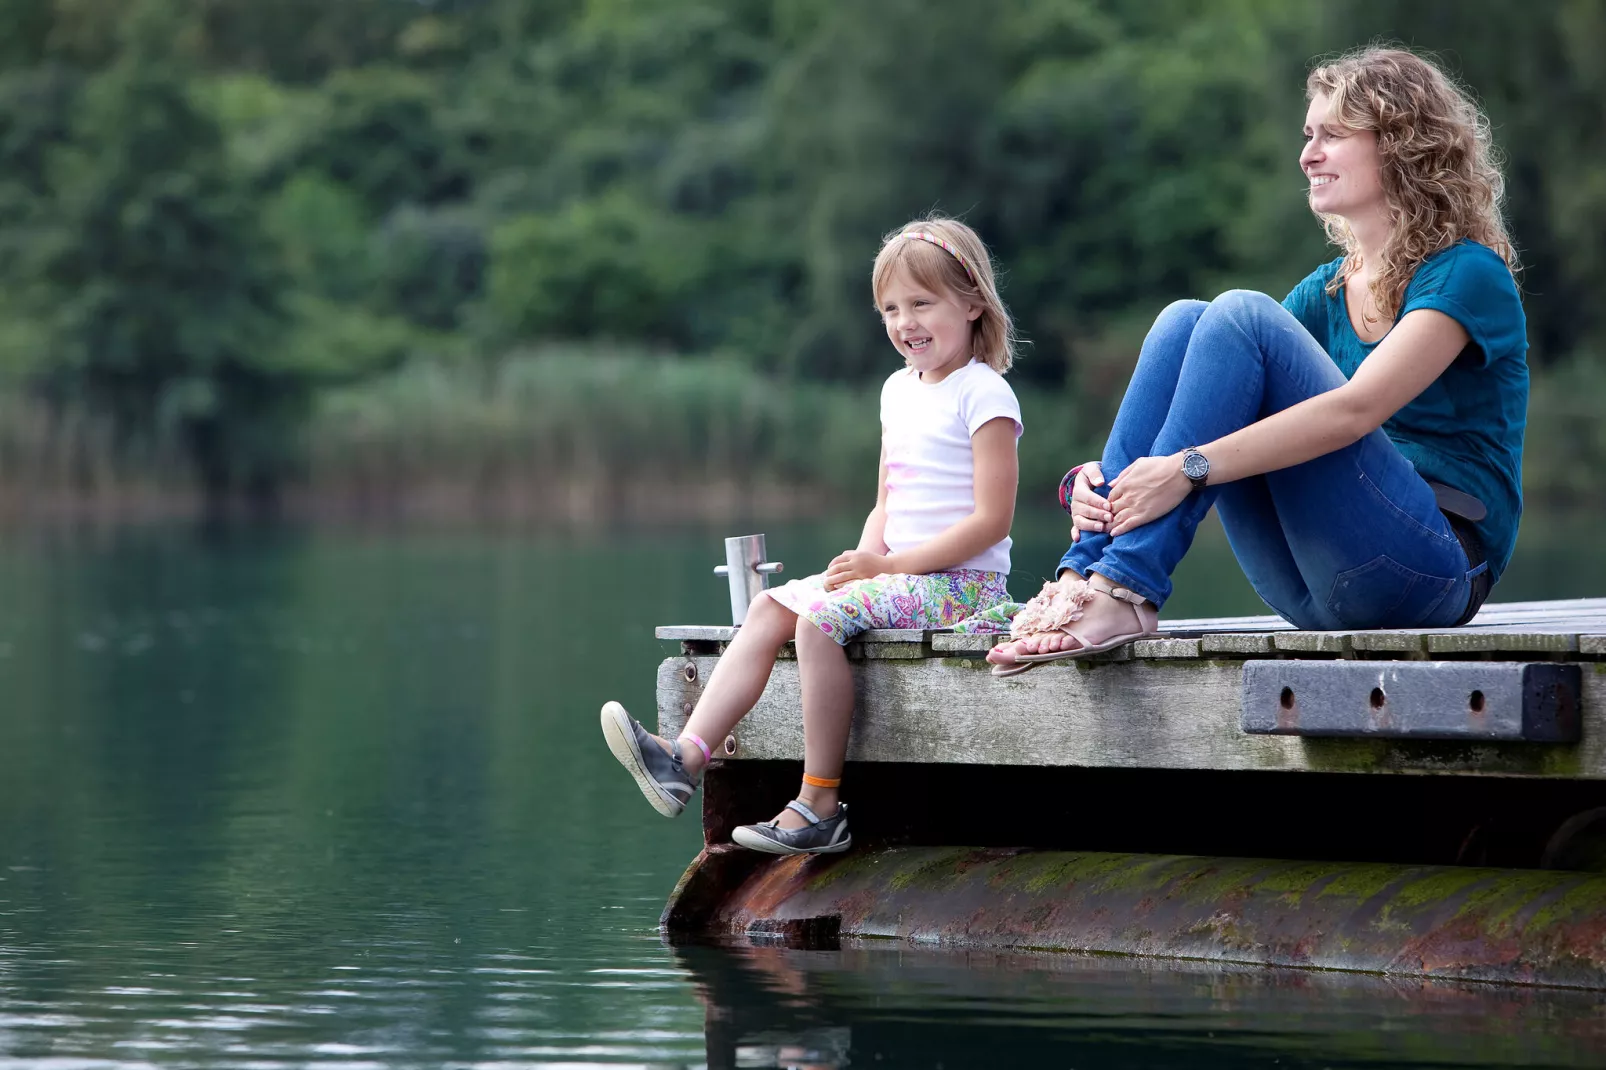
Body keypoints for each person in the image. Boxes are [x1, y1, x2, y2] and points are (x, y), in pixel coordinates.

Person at [988, 46, 1526, 676]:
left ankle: (1123, 585)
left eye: (1332, 135)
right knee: (1187, 322)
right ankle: (1089, 577)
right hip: (1311, 585)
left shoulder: (1468, 274)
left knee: (1239, 314)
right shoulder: (1329, 289)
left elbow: (1356, 411)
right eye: (1308, 135)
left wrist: (1184, 468)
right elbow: (1210, 394)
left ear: (1401, 143)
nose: (1307, 155)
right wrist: (1103, 481)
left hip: (1428, 570)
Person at [602, 217, 1023, 853]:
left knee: (817, 624)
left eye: (921, 303)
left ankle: (820, 802)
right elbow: (889, 497)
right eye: (890, 308)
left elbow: (992, 521)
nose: (905, 322)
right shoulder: (896, 391)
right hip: (902, 574)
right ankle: (684, 757)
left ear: (971, 303)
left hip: (962, 587)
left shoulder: (985, 393)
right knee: (772, 607)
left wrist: (889, 568)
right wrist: (863, 559)